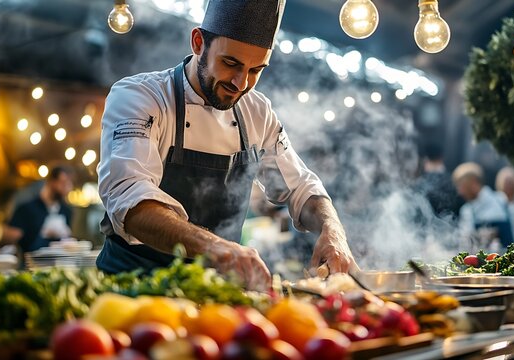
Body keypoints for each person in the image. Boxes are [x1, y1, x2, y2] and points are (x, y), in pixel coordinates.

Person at [95, 0, 356, 290]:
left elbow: (301, 188)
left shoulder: (257, 112)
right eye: (231, 63)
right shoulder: (140, 97)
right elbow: (129, 197)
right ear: (198, 42)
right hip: (134, 291)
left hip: (217, 297)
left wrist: (333, 230)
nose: (241, 83)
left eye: (256, 69)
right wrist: (215, 248)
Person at [2, 166, 74, 253]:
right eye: (63, 183)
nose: (67, 188)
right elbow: (9, 237)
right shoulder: (27, 208)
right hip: (31, 263)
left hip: (61, 262)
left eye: (69, 184)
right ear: (51, 182)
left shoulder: (66, 211)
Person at [452, 162, 514, 252]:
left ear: (474, 183)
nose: (460, 192)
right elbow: (463, 243)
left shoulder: (501, 200)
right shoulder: (466, 210)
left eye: (461, 186)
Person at [414, 143, 462, 219]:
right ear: (441, 157)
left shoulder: (419, 182)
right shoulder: (453, 179)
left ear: (425, 159)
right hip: (451, 225)